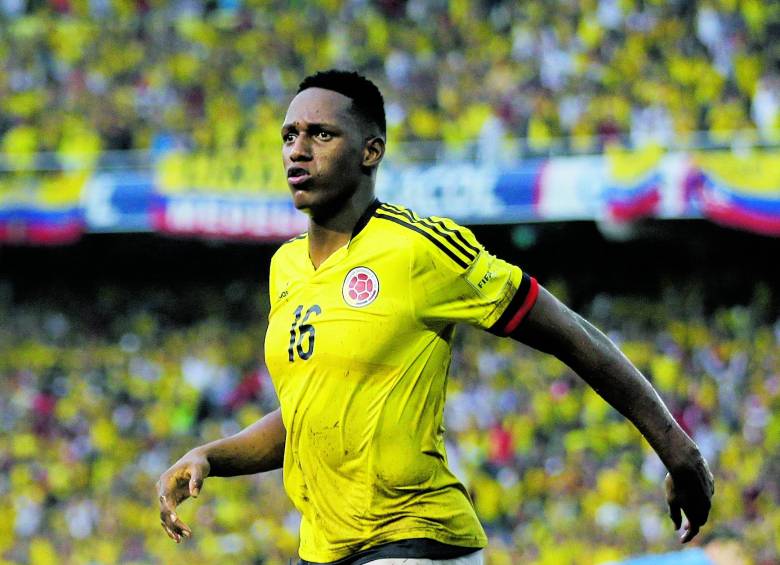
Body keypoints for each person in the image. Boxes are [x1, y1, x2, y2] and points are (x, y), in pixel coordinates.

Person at [157, 70, 715, 564]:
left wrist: (676, 447)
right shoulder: (285, 268)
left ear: (371, 151)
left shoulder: (419, 248)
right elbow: (307, 417)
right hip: (323, 549)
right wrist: (209, 456)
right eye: (289, 136)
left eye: (321, 135)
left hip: (415, 540)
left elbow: (570, 334)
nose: (297, 151)